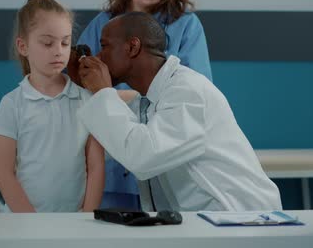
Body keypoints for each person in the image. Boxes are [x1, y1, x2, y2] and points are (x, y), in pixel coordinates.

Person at [76, 11, 281, 211]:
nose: (99, 57)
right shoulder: (148, 101)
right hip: (210, 221)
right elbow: (114, 138)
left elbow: (142, 157)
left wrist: (103, 92)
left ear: (133, 47)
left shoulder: (187, 92)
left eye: (104, 47)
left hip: (241, 218)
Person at [75, 0, 212, 209]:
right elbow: (78, 86)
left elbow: (195, 96)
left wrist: (115, 95)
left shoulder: (186, 27)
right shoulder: (101, 25)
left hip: (167, 166)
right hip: (109, 166)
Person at [0, 0, 105, 212]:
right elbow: (3, 173)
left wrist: (86, 217)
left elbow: (96, 165)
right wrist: (31, 223)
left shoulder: (86, 99)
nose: (58, 52)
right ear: (23, 46)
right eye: (47, 43)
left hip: (75, 223)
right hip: (25, 224)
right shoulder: (12, 104)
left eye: (65, 43)